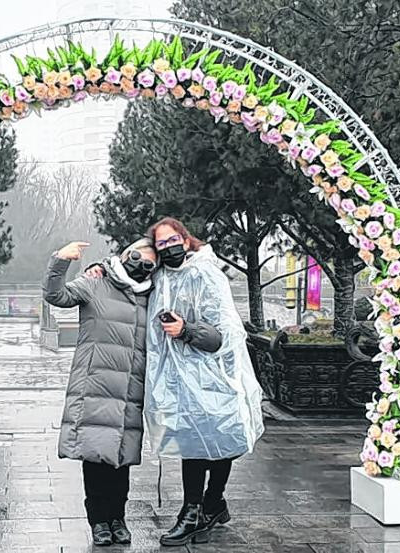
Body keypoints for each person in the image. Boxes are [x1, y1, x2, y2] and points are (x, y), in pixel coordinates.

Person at [91, 217, 264, 546]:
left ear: (186, 240)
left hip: (214, 374)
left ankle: (210, 502)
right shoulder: (160, 275)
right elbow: (128, 267)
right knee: (193, 442)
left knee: (221, 439)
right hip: (179, 379)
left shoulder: (205, 273)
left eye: (173, 241)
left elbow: (222, 333)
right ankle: (195, 510)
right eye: (161, 244)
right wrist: (100, 267)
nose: (168, 248)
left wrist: (186, 330)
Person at [42, 238, 158, 546]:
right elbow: (56, 294)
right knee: (95, 458)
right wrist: (61, 259)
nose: (141, 264)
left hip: (130, 391)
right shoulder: (97, 281)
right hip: (94, 387)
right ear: (123, 253)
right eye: (136, 255)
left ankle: (118, 517)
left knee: (121, 460)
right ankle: (98, 521)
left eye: (149, 262)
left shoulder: (152, 295)